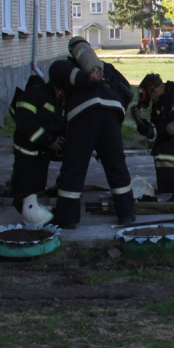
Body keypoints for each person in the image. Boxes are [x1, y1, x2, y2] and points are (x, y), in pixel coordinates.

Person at [49, 45, 136, 228]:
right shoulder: (107, 68)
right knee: (116, 165)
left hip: (83, 115)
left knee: (74, 167)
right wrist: (117, 110)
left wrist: (84, 81)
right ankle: (127, 213)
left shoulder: (64, 65)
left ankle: (67, 218)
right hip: (111, 113)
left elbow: (56, 74)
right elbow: (127, 89)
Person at [10, 73, 67, 223]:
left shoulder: (57, 100)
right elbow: (25, 122)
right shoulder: (35, 94)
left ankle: (33, 208)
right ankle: (29, 214)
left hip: (42, 153)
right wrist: (49, 140)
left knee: (37, 186)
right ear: (56, 88)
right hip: (27, 152)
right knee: (25, 189)